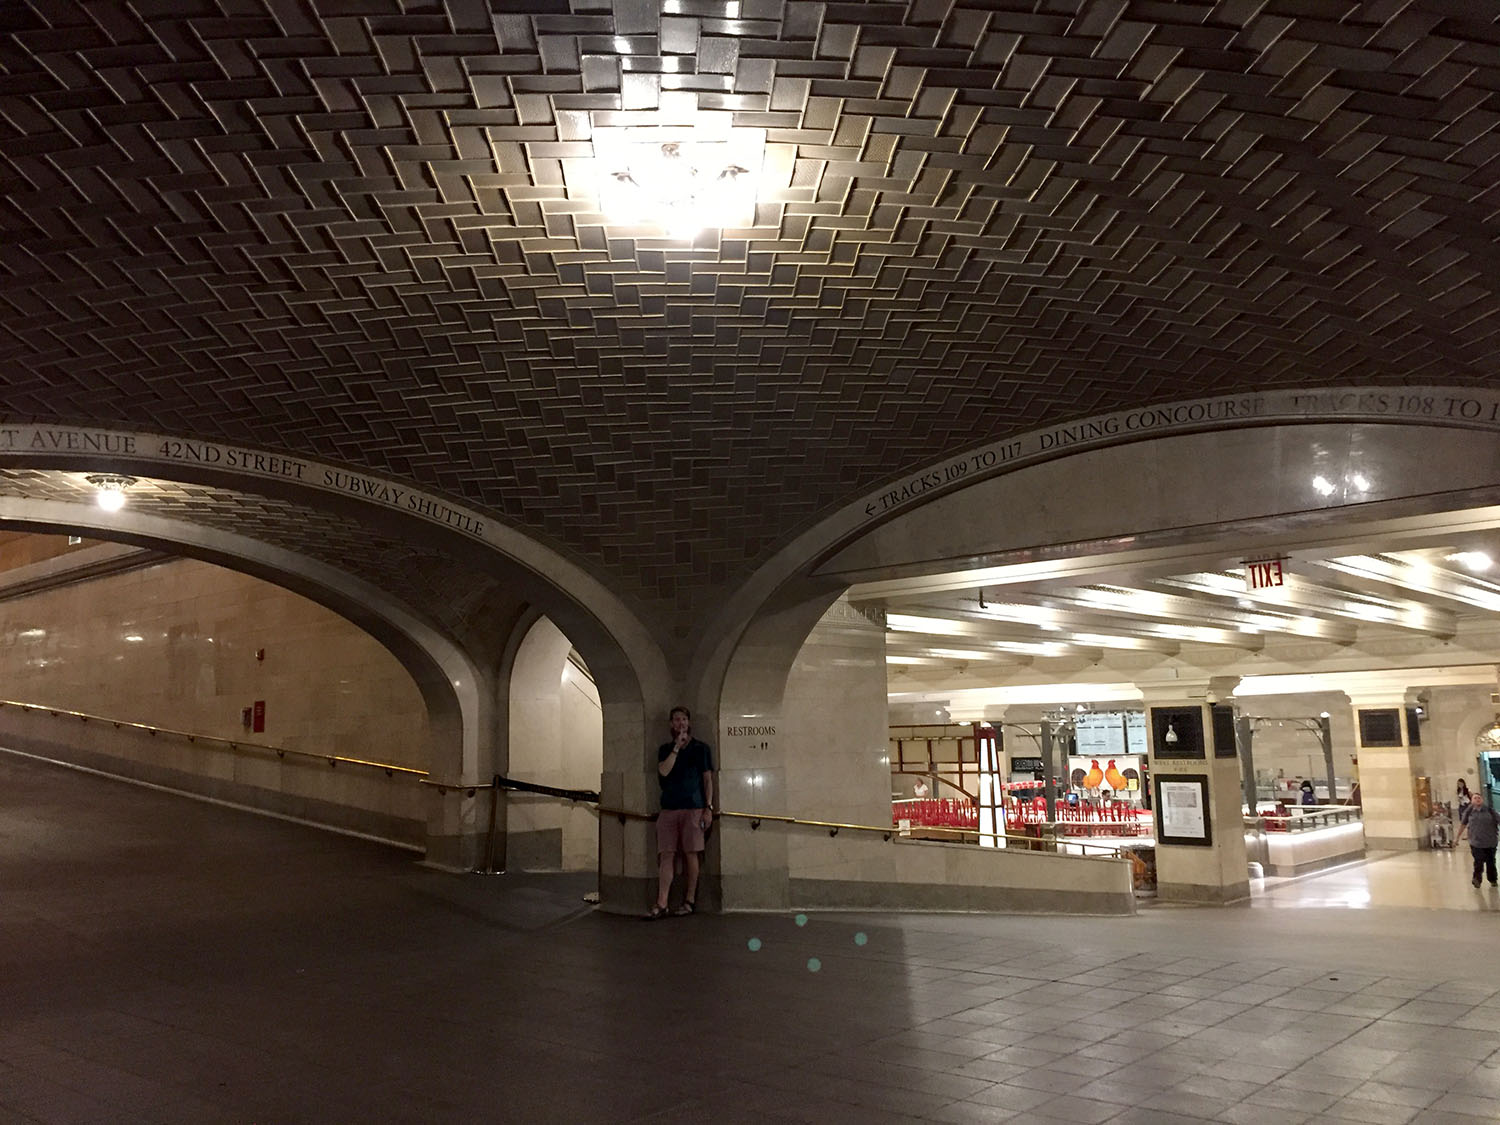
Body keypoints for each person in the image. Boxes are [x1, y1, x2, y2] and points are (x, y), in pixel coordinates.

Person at [646, 706, 715, 919]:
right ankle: (662, 902)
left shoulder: (701, 749)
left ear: (689, 722)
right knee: (666, 854)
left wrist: (709, 808)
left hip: (693, 808)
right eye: (676, 719)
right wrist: (676, 748)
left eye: (684, 719)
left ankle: (689, 901)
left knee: (691, 854)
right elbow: (664, 771)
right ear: (671, 724)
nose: (680, 723)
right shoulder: (665, 749)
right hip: (669, 809)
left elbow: (707, 780)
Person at [1457, 791, 1500, 888]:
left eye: (1479, 798)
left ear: (1482, 800)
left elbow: (1499, 820)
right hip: (1476, 842)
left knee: (1491, 862)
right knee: (1478, 862)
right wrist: (1457, 838)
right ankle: (1477, 879)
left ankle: (1493, 879)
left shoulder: (1490, 811)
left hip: (1490, 841)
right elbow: (1463, 824)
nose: (1477, 799)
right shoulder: (1469, 812)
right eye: (1475, 798)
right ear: (1471, 801)